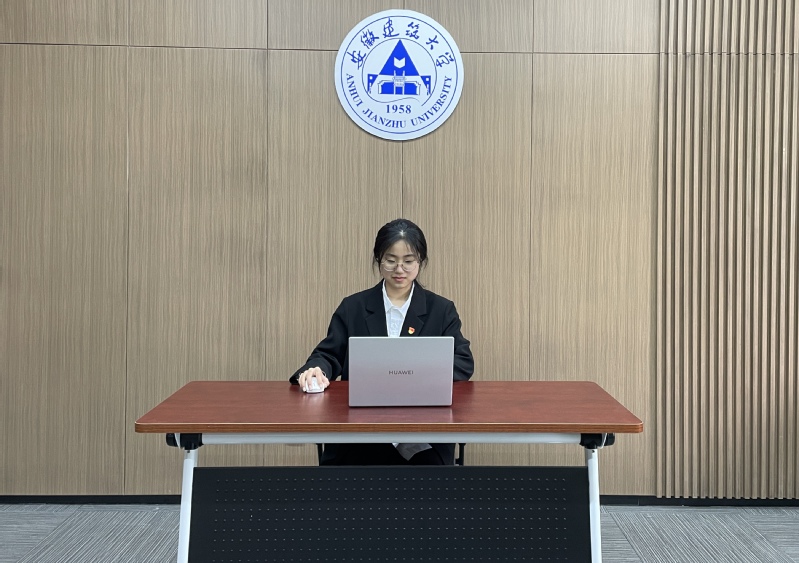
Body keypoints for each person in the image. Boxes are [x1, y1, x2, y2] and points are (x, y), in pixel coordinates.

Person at [289, 218, 474, 465]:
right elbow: (329, 354)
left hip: (423, 431)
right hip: (361, 430)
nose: (399, 269)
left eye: (408, 261)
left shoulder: (441, 310)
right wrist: (316, 370)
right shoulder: (353, 307)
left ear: (420, 261)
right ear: (378, 259)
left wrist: (415, 373)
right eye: (391, 260)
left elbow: (462, 362)